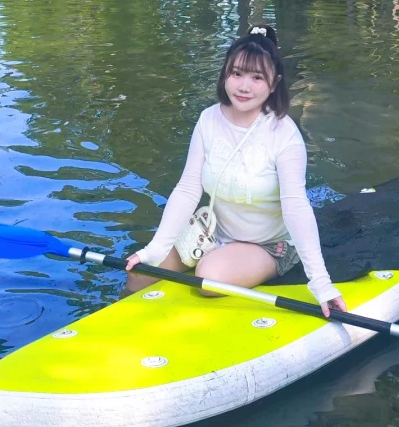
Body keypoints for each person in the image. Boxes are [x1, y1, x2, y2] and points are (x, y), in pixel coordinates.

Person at [126, 26, 349, 317]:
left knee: (210, 277)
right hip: (212, 231)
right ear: (225, 75)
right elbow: (188, 187)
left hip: (270, 244)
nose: (244, 86)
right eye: (237, 74)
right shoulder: (208, 119)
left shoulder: (284, 135)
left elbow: (295, 205)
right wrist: (156, 247)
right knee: (139, 273)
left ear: (274, 83)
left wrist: (321, 282)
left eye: (257, 78)